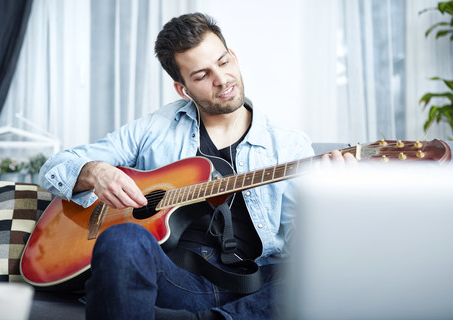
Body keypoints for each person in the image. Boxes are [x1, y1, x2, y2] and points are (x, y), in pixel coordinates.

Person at [40, 12, 355, 320]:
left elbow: (303, 247)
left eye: (223, 62)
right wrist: (96, 171)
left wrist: (333, 201)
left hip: (253, 286)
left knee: (323, 274)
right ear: (183, 89)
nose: (222, 80)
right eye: (202, 75)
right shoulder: (154, 129)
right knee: (121, 239)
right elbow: (55, 167)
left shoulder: (289, 147)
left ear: (233, 55)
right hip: (175, 279)